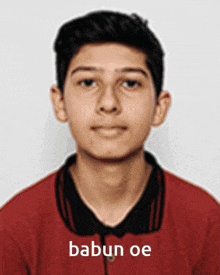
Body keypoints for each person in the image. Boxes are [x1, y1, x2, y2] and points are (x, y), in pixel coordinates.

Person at [1, 10, 219, 275]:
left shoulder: (207, 222)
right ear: (60, 103)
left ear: (159, 107)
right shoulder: (13, 227)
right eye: (88, 82)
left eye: (129, 83)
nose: (108, 103)